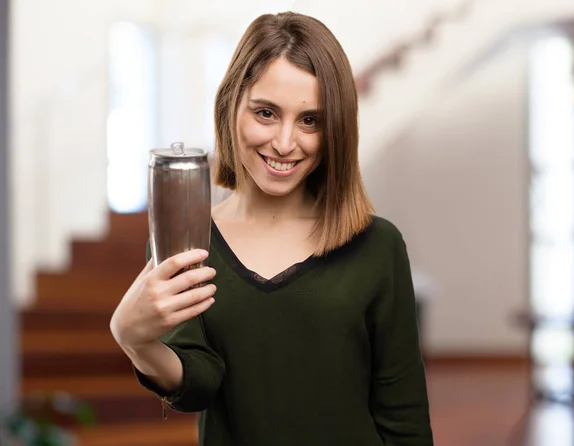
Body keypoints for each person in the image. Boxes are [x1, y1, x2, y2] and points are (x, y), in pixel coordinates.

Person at [110, 11, 433, 446]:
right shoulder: (188, 244)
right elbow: (199, 382)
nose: (284, 143)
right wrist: (133, 338)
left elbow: (405, 422)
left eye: (310, 121)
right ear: (231, 108)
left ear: (335, 128)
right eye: (266, 113)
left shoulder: (377, 246)